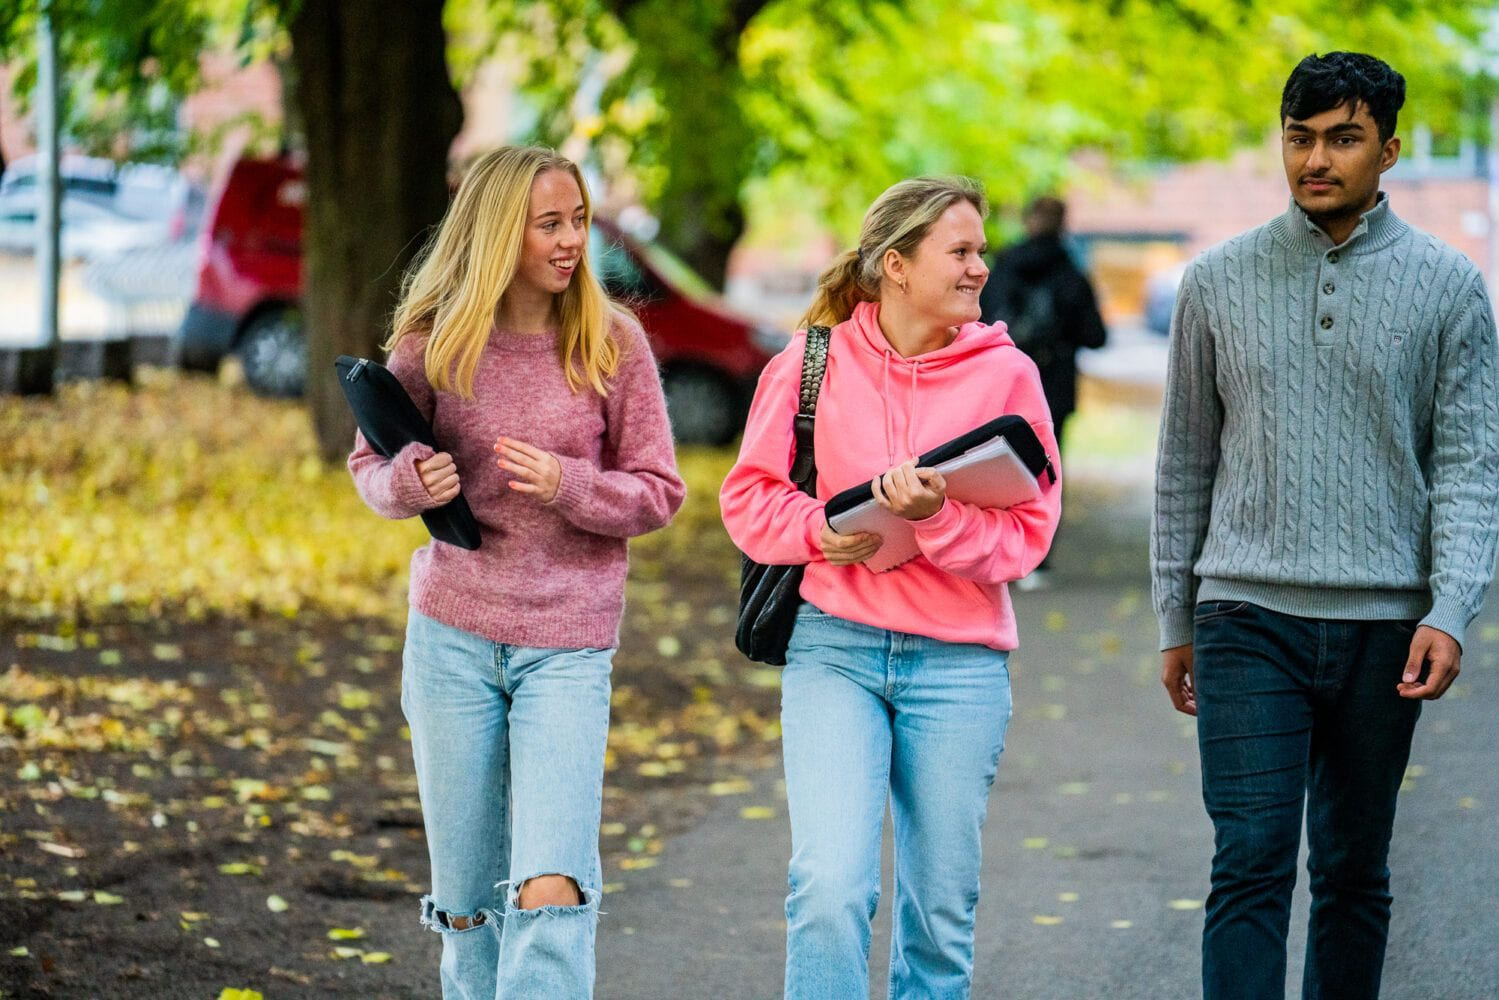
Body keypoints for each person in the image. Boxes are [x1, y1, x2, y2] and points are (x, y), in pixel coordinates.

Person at [1152, 52, 1499, 999]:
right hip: (1244, 615)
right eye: (1299, 137)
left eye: (1341, 138)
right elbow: (1183, 462)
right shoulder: (1216, 283)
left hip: (1382, 625)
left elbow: (1469, 466)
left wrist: (1450, 608)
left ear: (1388, 149)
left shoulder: (1449, 288)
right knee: (1251, 860)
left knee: (1351, 871)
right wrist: (1174, 618)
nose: (1315, 158)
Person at [348, 145, 685, 999]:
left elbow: (658, 493)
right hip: (452, 639)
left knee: (551, 888)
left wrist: (568, 484)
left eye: (578, 220)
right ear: (501, 231)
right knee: (466, 904)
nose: (572, 241)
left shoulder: (612, 341)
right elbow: (371, 468)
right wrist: (408, 482)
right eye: (550, 224)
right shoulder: (436, 344)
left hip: (565, 647)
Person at [721, 176, 1061, 999]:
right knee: (830, 888)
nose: (982, 267)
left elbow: (1030, 534)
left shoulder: (1007, 374)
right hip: (834, 649)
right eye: (962, 251)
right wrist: (819, 533)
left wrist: (937, 519)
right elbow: (749, 496)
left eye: (980, 250)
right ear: (896, 265)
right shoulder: (809, 364)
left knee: (939, 914)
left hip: (959, 666)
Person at [979, 196, 1106, 584]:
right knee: (1047, 468)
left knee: (995, 466)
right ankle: (1035, 555)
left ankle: (996, 552)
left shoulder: (1002, 267)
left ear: (1027, 219)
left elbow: (978, 320)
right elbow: (1096, 335)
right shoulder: (1071, 273)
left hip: (1000, 383)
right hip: (1053, 385)